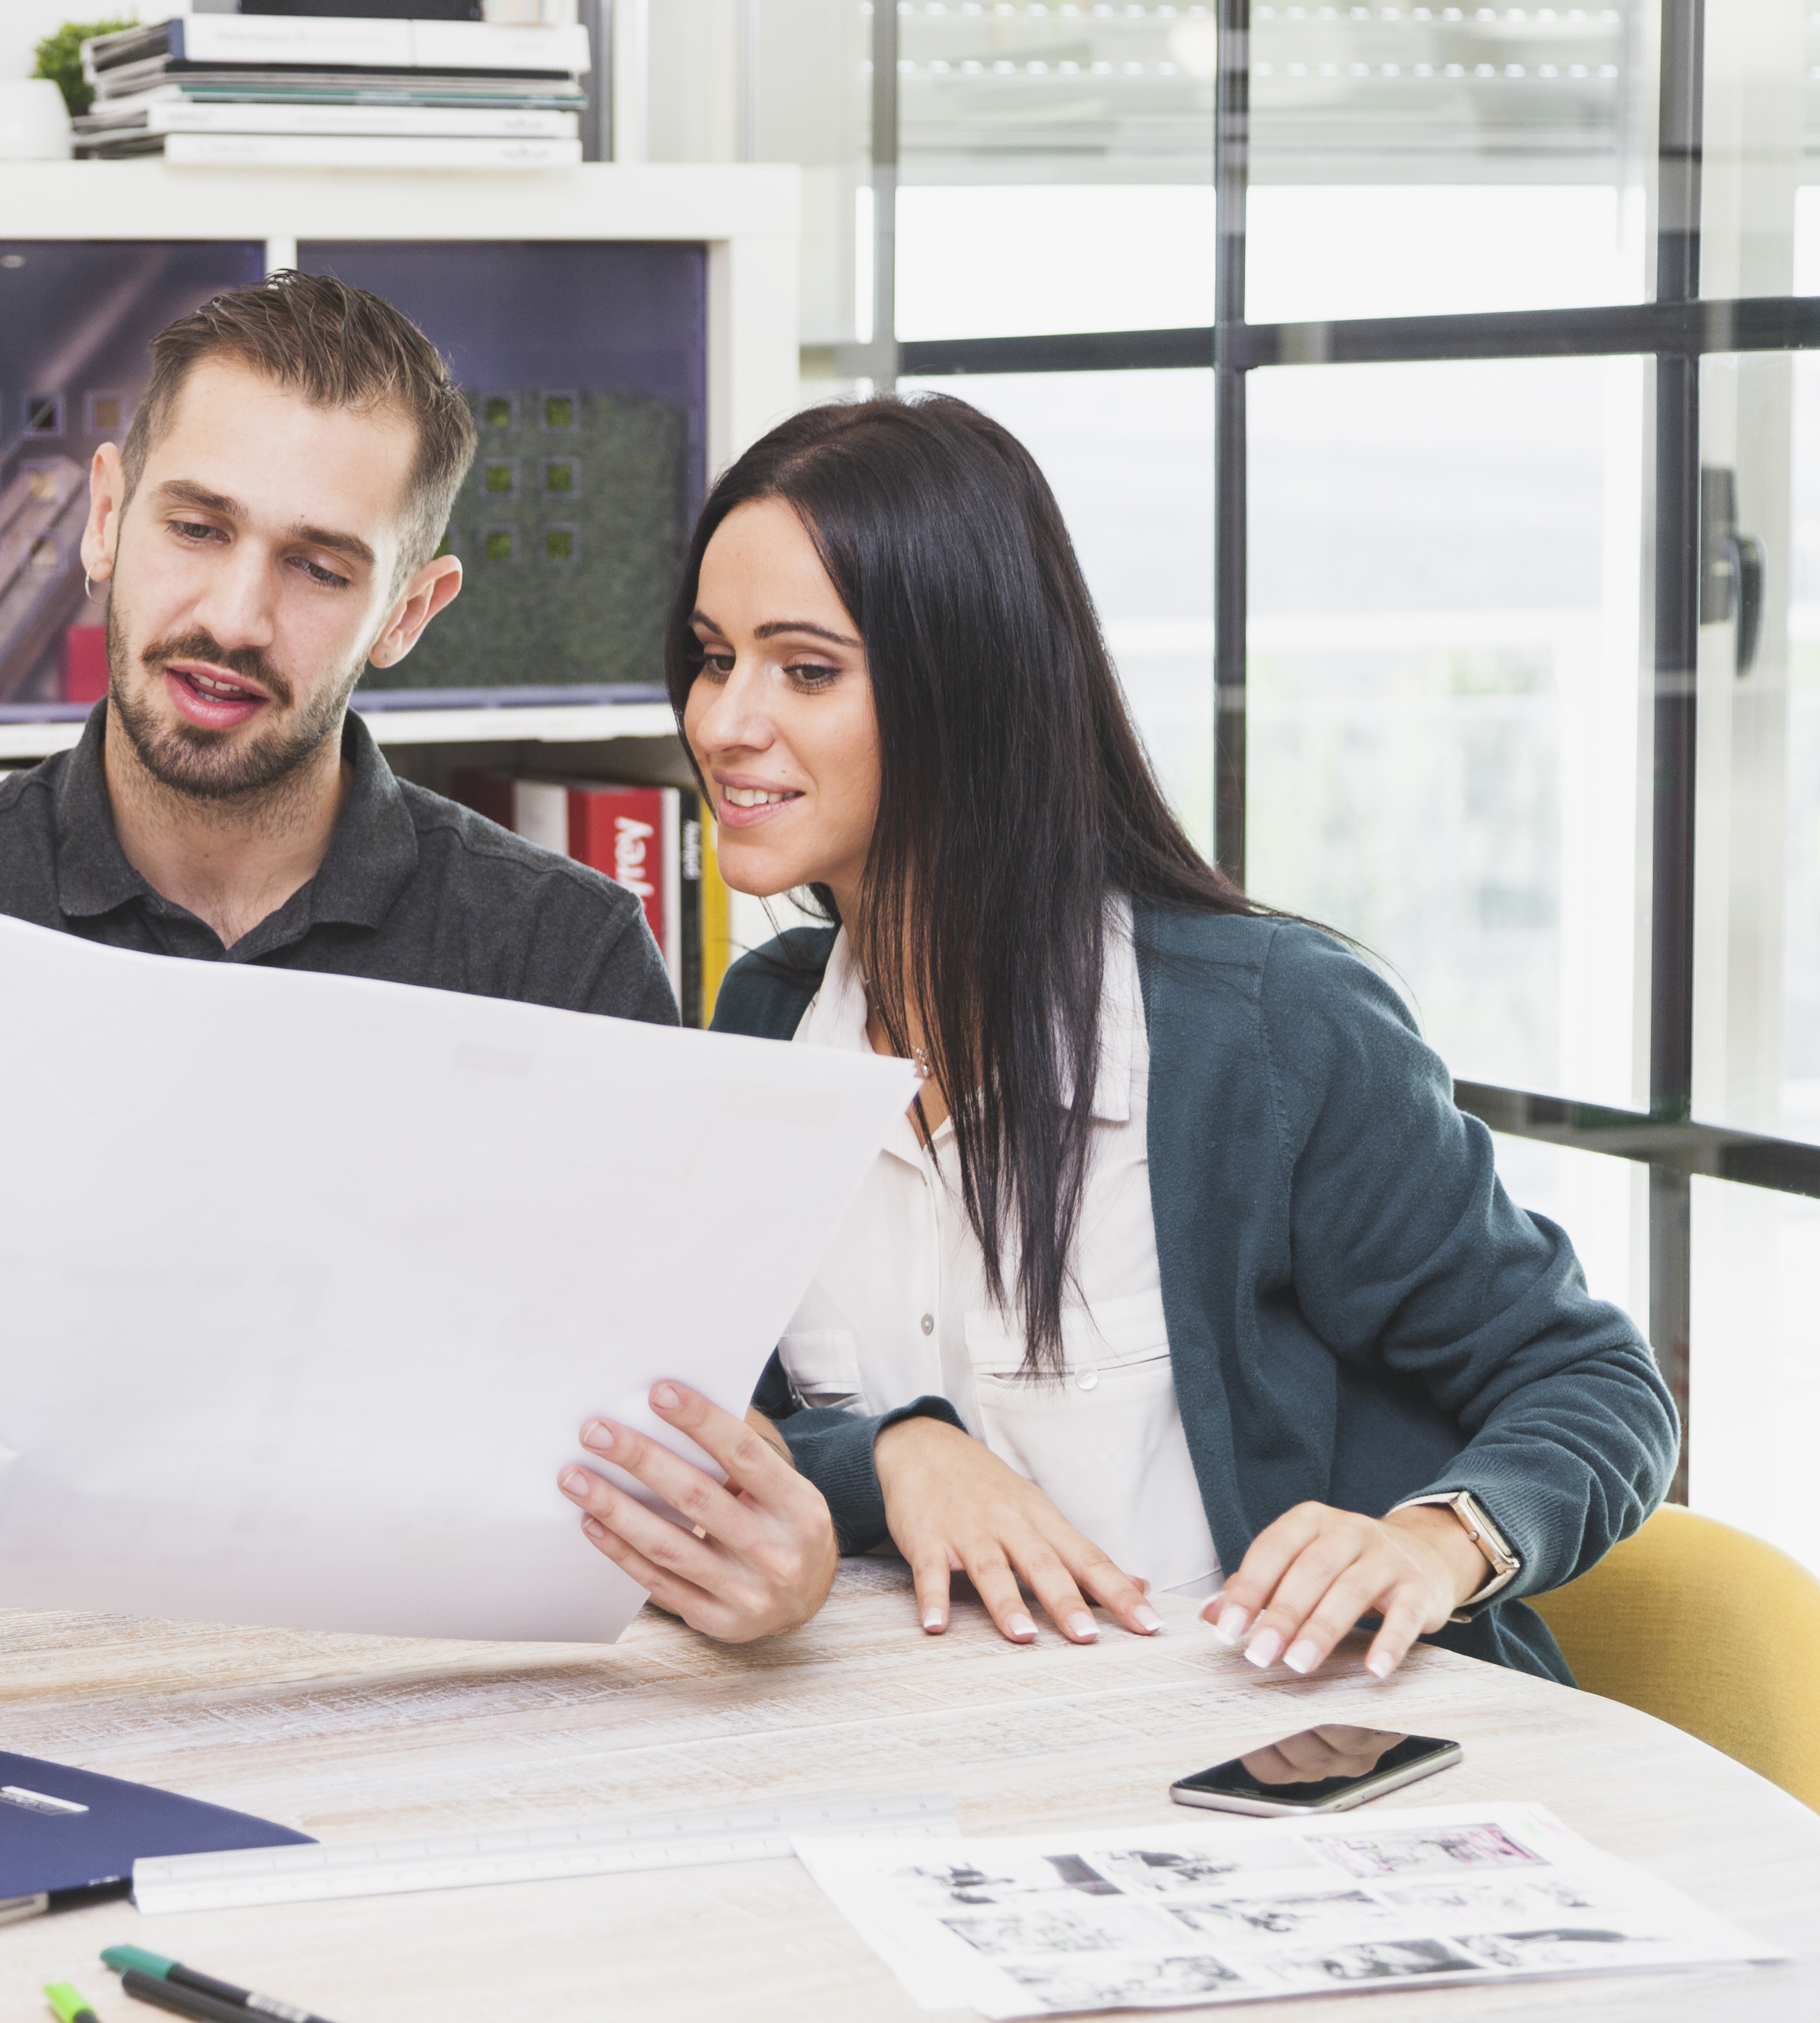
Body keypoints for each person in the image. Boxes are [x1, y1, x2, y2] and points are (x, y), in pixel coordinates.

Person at [673, 394, 1673, 1683]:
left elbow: (1593, 1381)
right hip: (935, 1763)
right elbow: (719, 1423)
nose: (724, 723)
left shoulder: (1267, 1032)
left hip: (1278, 1759)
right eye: (713, 657)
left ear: (967, 688)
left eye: (806, 670)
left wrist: (1435, 1541)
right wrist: (897, 1456)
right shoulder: (765, 1029)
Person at [0, 271, 678, 1027]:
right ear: (107, 521)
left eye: (316, 569)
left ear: (407, 614)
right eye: (197, 529)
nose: (235, 623)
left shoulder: (563, 966)